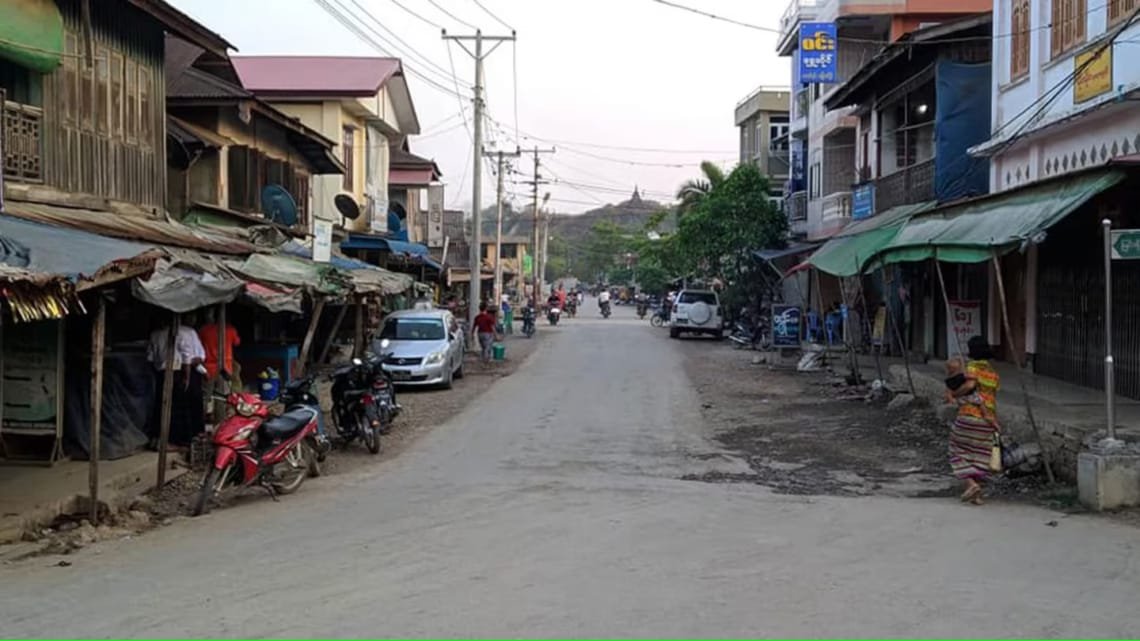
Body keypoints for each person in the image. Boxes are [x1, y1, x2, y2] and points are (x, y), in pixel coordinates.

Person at [945, 355, 999, 505]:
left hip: (967, 417)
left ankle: (971, 484)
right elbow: (990, 398)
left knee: (957, 451)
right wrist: (993, 421)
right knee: (980, 456)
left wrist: (952, 395)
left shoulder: (967, 373)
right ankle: (977, 496)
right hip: (986, 420)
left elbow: (966, 388)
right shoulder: (993, 373)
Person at [147, 318, 207, 448]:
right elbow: (189, 357)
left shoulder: (155, 334)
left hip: (165, 373)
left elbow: (150, 358)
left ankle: (167, 438)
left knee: (165, 406)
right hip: (182, 371)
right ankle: (184, 439)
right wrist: (186, 377)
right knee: (184, 407)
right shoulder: (185, 332)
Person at [198, 313, 241, 422]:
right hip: (225, 368)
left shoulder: (204, 330)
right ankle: (219, 421)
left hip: (208, 368)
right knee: (222, 397)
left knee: (206, 396)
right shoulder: (230, 329)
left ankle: (202, 421)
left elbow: (199, 345)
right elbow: (237, 342)